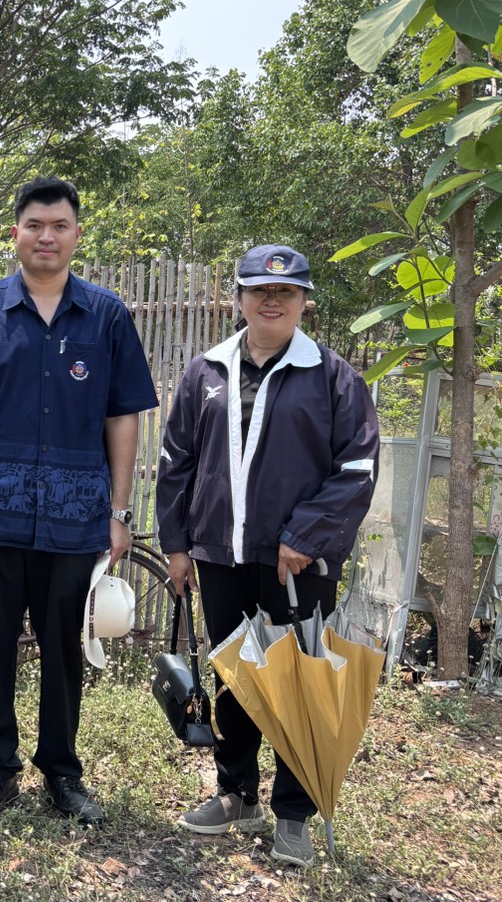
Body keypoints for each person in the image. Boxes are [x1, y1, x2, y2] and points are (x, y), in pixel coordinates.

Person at [0, 176, 156, 825]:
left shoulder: (106, 316)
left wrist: (116, 511)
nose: (46, 236)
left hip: (75, 520)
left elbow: (122, 417)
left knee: (63, 654)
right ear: (15, 234)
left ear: (76, 235)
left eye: (58, 225)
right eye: (34, 225)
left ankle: (61, 772)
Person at [156, 243, 379, 868]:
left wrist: (306, 536)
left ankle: (293, 814)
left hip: (296, 562)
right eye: (259, 291)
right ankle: (236, 793)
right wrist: (176, 543)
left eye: (285, 292)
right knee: (235, 676)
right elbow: (176, 464)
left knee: (298, 683)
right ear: (240, 299)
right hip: (220, 554)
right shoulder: (206, 372)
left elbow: (357, 468)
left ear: (304, 300)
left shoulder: (334, 377)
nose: (272, 300)